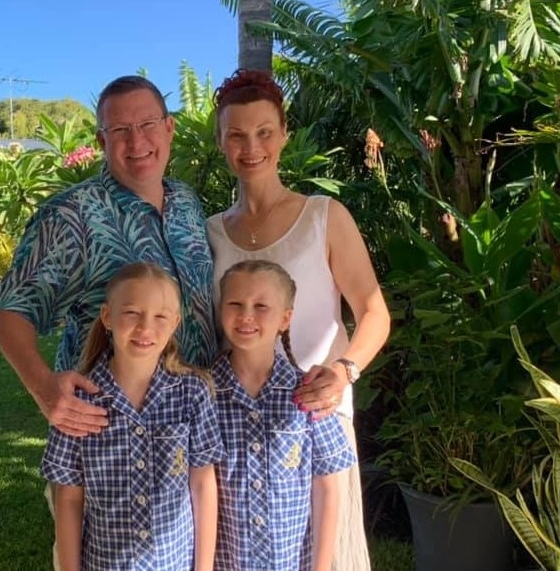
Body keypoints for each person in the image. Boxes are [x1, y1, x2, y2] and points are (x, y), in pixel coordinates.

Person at [0, 75, 218, 569]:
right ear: (100, 141)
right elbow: (10, 311)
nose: (136, 142)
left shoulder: (187, 202)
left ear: (169, 128)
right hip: (107, 442)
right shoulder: (71, 216)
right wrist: (43, 387)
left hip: (188, 431)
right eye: (119, 130)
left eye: (147, 124)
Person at [206, 69, 391, 571]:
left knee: (323, 555)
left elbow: (374, 311)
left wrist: (344, 371)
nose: (251, 147)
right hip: (239, 422)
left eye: (264, 131)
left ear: (285, 133)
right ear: (221, 141)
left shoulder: (323, 216)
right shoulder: (211, 234)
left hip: (317, 415)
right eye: (237, 135)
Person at [41, 262, 223, 571]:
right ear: (107, 317)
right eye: (132, 313)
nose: (145, 327)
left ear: (175, 322)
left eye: (160, 316)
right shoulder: (77, 402)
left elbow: (203, 485)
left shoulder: (193, 394)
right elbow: (69, 499)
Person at [212, 260, 356, 570]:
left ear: (285, 319)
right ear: (220, 309)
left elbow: (328, 487)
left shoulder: (308, 394)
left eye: (261, 305)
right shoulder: (202, 394)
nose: (246, 314)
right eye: (235, 303)